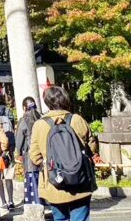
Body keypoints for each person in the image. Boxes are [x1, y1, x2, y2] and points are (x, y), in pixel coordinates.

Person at [29, 85, 95, 221]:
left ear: (47, 102)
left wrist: (49, 164)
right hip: (80, 180)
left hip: (54, 181)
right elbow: (92, 147)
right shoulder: (77, 119)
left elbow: (35, 156)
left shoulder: (40, 125)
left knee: (60, 218)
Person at [14, 96, 43, 205]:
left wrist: (19, 152)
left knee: (32, 178)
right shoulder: (40, 117)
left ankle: (34, 202)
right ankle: (43, 201)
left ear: (24, 107)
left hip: (29, 153)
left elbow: (20, 138)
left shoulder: (24, 120)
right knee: (41, 177)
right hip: (41, 153)